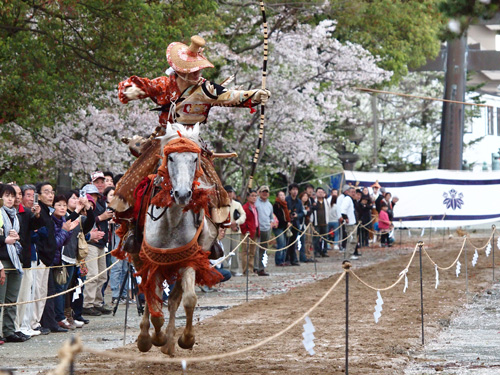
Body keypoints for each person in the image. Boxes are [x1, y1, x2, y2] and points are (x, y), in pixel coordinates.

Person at [112, 35, 271, 249]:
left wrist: (254, 95)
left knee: (215, 186)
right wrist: (132, 90)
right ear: (180, 71)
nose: (198, 73)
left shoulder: (206, 89)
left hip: (193, 141)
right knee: (133, 180)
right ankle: (133, 228)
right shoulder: (164, 84)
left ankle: (212, 235)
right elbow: (145, 86)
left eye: (199, 69)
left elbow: (229, 96)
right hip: (164, 141)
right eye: (192, 70)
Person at [0, 185, 33, 342]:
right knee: (1, 300)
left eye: (12, 196)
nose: (10, 199)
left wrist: (15, 237)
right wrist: (5, 239)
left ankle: (9, 330)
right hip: (2, 260)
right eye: (6, 195)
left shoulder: (16, 215)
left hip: (15, 260)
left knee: (12, 300)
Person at [81, 180, 113, 317]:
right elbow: (85, 223)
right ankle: (87, 303)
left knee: (102, 276)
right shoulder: (83, 207)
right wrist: (101, 217)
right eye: (90, 195)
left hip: (101, 244)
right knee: (92, 274)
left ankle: (97, 302)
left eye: (95, 195)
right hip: (90, 243)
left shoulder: (100, 205)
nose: (93, 198)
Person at [221, 185, 246, 276]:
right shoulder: (221, 204)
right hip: (225, 232)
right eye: (227, 192)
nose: (229, 194)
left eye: (230, 192)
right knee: (225, 251)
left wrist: (236, 222)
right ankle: (225, 269)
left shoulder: (237, 204)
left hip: (235, 231)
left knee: (235, 251)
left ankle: (235, 270)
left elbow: (243, 215)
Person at [200, 227, 232, 292]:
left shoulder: (220, 243)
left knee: (224, 269)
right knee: (227, 274)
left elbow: (221, 259)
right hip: (208, 267)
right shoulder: (211, 243)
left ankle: (209, 284)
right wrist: (207, 264)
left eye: (224, 231)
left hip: (216, 266)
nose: (223, 233)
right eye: (221, 231)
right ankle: (205, 283)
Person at [254, 186, 274, 276]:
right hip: (257, 228)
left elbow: (271, 217)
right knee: (256, 249)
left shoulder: (269, 205)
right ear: (259, 192)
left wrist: (271, 224)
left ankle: (261, 268)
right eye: (263, 192)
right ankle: (255, 267)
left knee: (264, 249)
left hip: (267, 228)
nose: (265, 193)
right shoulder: (255, 202)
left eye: (266, 192)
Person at [239, 190, 259, 276]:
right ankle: (246, 270)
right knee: (245, 251)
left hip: (254, 231)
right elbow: (243, 220)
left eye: (255, 196)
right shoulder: (245, 207)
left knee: (252, 252)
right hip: (247, 232)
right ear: (248, 197)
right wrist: (245, 230)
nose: (254, 198)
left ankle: (251, 269)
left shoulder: (255, 207)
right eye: (252, 196)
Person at [339, 185, 360, 260]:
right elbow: (343, 210)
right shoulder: (347, 199)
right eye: (352, 192)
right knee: (351, 240)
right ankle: (348, 256)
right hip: (350, 224)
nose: (353, 193)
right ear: (347, 192)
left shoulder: (351, 200)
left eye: (354, 192)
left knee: (353, 240)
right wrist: (346, 218)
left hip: (353, 222)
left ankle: (349, 254)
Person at [285, 183, 304, 266]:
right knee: (286, 242)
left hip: (295, 224)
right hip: (287, 224)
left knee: (293, 242)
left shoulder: (299, 201)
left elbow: (302, 212)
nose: (295, 191)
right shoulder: (286, 200)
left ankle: (293, 259)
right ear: (290, 191)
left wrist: (297, 215)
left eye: (296, 190)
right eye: (293, 189)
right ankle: (286, 259)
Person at [273, 191, 291, 266]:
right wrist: (286, 222)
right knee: (281, 243)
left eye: (283, 195)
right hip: (278, 227)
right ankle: (278, 260)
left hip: (284, 227)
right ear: (277, 196)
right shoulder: (276, 205)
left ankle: (283, 259)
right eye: (280, 195)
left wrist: (288, 221)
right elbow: (278, 217)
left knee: (284, 244)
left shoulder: (285, 205)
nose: (282, 196)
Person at [312, 187, 330, 258]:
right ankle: (316, 252)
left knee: (325, 238)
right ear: (316, 193)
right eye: (319, 192)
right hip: (316, 223)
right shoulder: (314, 202)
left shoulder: (326, 201)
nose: (320, 193)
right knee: (316, 238)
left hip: (325, 222)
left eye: (322, 192)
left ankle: (324, 251)